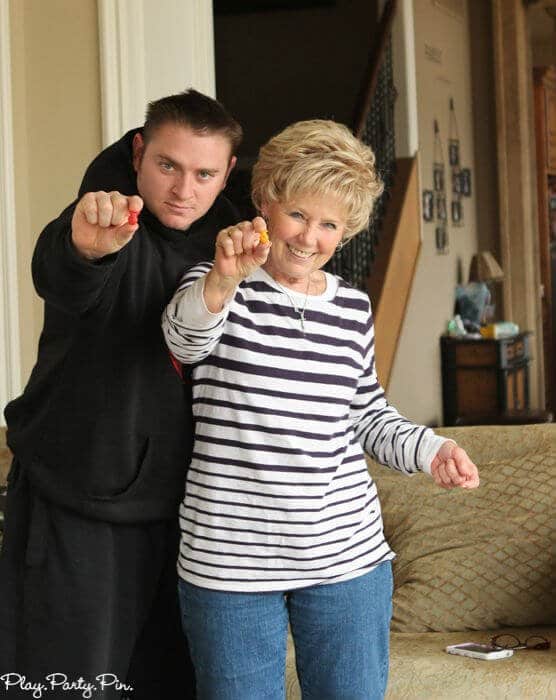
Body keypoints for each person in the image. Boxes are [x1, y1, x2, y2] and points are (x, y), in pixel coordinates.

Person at [162, 119, 480, 700]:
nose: (310, 238)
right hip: (230, 562)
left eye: (330, 224)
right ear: (265, 203)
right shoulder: (214, 286)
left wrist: (433, 448)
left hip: (346, 559)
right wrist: (223, 279)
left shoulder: (353, 309)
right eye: (299, 215)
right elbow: (184, 342)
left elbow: (366, 413)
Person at [0, 89, 242, 699]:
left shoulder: (235, 247)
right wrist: (88, 249)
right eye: (167, 165)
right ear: (139, 152)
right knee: (61, 688)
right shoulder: (97, 218)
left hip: (189, 517)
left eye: (203, 173)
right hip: (74, 500)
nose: (183, 189)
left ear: (227, 174)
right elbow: (62, 272)